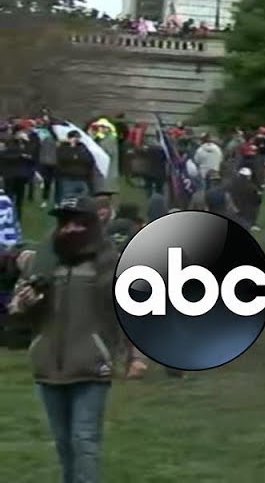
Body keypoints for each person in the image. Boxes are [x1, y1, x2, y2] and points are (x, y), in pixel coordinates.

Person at [7, 196, 145, 482]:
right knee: (62, 442)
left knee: (84, 440)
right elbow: (18, 308)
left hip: (92, 365)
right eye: (64, 222)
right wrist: (22, 304)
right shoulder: (44, 262)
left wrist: (136, 356)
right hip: (48, 367)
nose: (70, 229)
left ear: (92, 224)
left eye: (78, 222)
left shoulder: (109, 263)